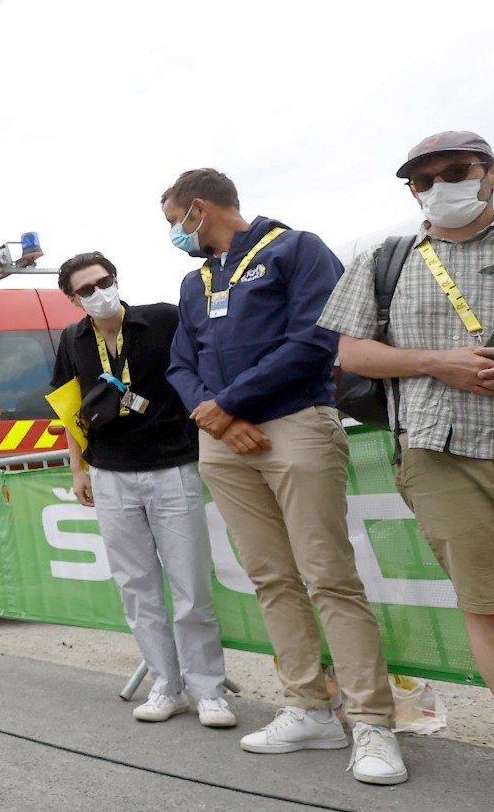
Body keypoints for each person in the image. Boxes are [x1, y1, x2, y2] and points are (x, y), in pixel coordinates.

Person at [318, 132, 494, 810]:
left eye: (457, 172)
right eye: (424, 181)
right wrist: (435, 360)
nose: (441, 186)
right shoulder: (383, 259)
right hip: (439, 453)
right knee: (492, 613)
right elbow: (351, 351)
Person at [161, 168, 406, 785]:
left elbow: (315, 338)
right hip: (221, 438)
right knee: (270, 576)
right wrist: (214, 416)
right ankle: (307, 706)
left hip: (294, 423)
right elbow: (180, 363)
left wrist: (232, 402)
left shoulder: (296, 249)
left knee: (328, 575)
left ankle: (372, 720)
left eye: (173, 222)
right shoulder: (197, 282)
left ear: (197, 209)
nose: (174, 235)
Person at [49, 252, 233, 728]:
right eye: (86, 290)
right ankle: (166, 685)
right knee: (136, 587)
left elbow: (199, 370)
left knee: (190, 583)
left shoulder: (162, 320)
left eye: (104, 281)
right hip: (111, 472)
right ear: (71, 299)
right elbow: (71, 409)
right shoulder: (72, 340)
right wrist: (78, 470)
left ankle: (208, 690)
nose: (99, 293)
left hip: (172, 465)